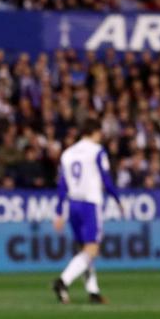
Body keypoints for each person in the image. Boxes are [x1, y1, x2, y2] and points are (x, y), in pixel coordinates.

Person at [52, 120, 122, 304]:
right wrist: (117, 199)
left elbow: (62, 185)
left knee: (84, 250)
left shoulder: (67, 153)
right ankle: (62, 281)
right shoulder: (97, 151)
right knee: (92, 249)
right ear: (95, 132)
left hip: (73, 204)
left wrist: (59, 212)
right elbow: (106, 178)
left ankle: (93, 291)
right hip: (90, 204)